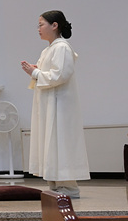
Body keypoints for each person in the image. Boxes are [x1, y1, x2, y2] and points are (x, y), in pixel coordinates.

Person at [21, 10, 90, 198]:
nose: (38, 29)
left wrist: (36, 73)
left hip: (60, 105)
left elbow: (60, 75)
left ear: (54, 25)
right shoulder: (47, 50)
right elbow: (49, 72)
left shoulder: (62, 47)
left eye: (41, 24)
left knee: (60, 142)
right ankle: (55, 183)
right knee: (50, 142)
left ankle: (68, 186)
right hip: (49, 104)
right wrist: (36, 70)